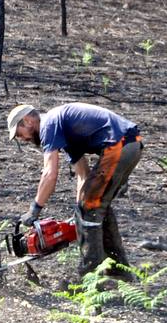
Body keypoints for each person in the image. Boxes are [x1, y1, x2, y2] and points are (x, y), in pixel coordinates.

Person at [7, 102, 143, 276]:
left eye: (19, 133)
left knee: (91, 208)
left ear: (27, 121)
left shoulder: (49, 124)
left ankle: (90, 275)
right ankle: (119, 271)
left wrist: (34, 210)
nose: (22, 139)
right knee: (95, 206)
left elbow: (50, 174)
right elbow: (83, 175)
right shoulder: (63, 132)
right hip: (130, 144)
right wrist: (78, 213)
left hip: (119, 145)